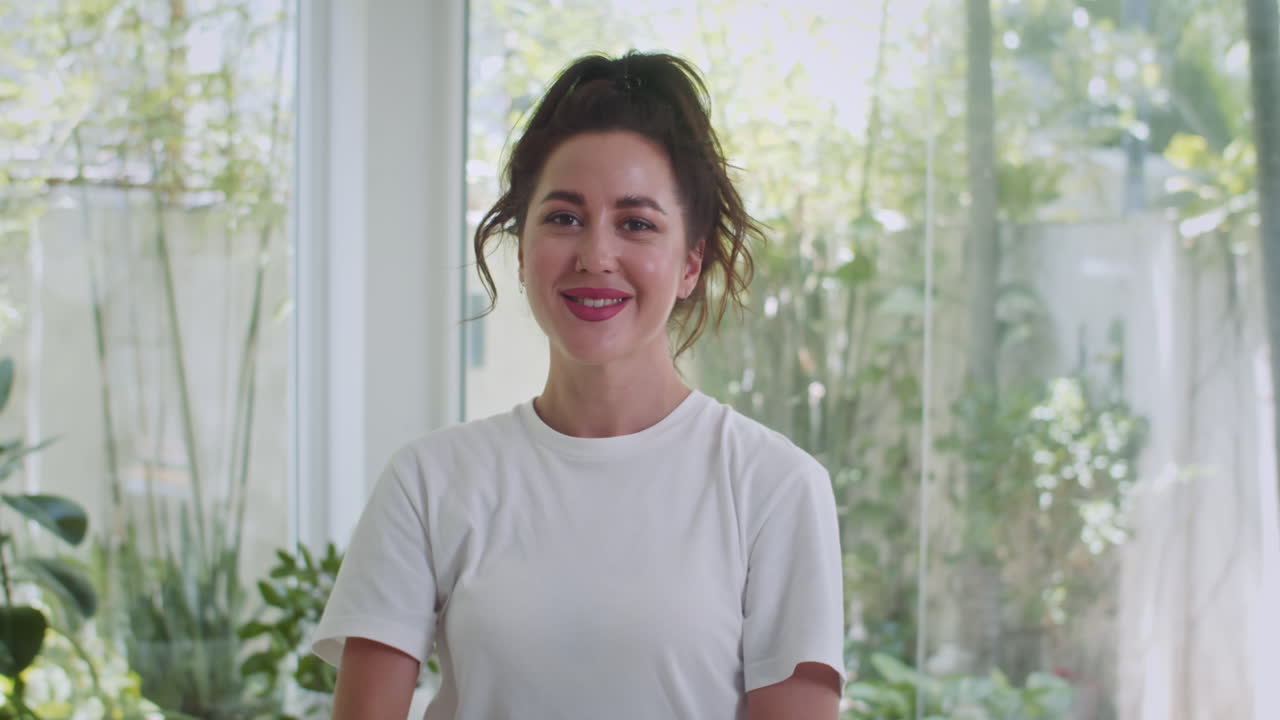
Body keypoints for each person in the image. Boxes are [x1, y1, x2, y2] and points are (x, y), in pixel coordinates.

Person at [311, 51, 846, 720]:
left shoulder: (773, 486)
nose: (595, 256)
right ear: (523, 247)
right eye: (563, 218)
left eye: (637, 224)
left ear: (689, 263)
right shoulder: (429, 481)